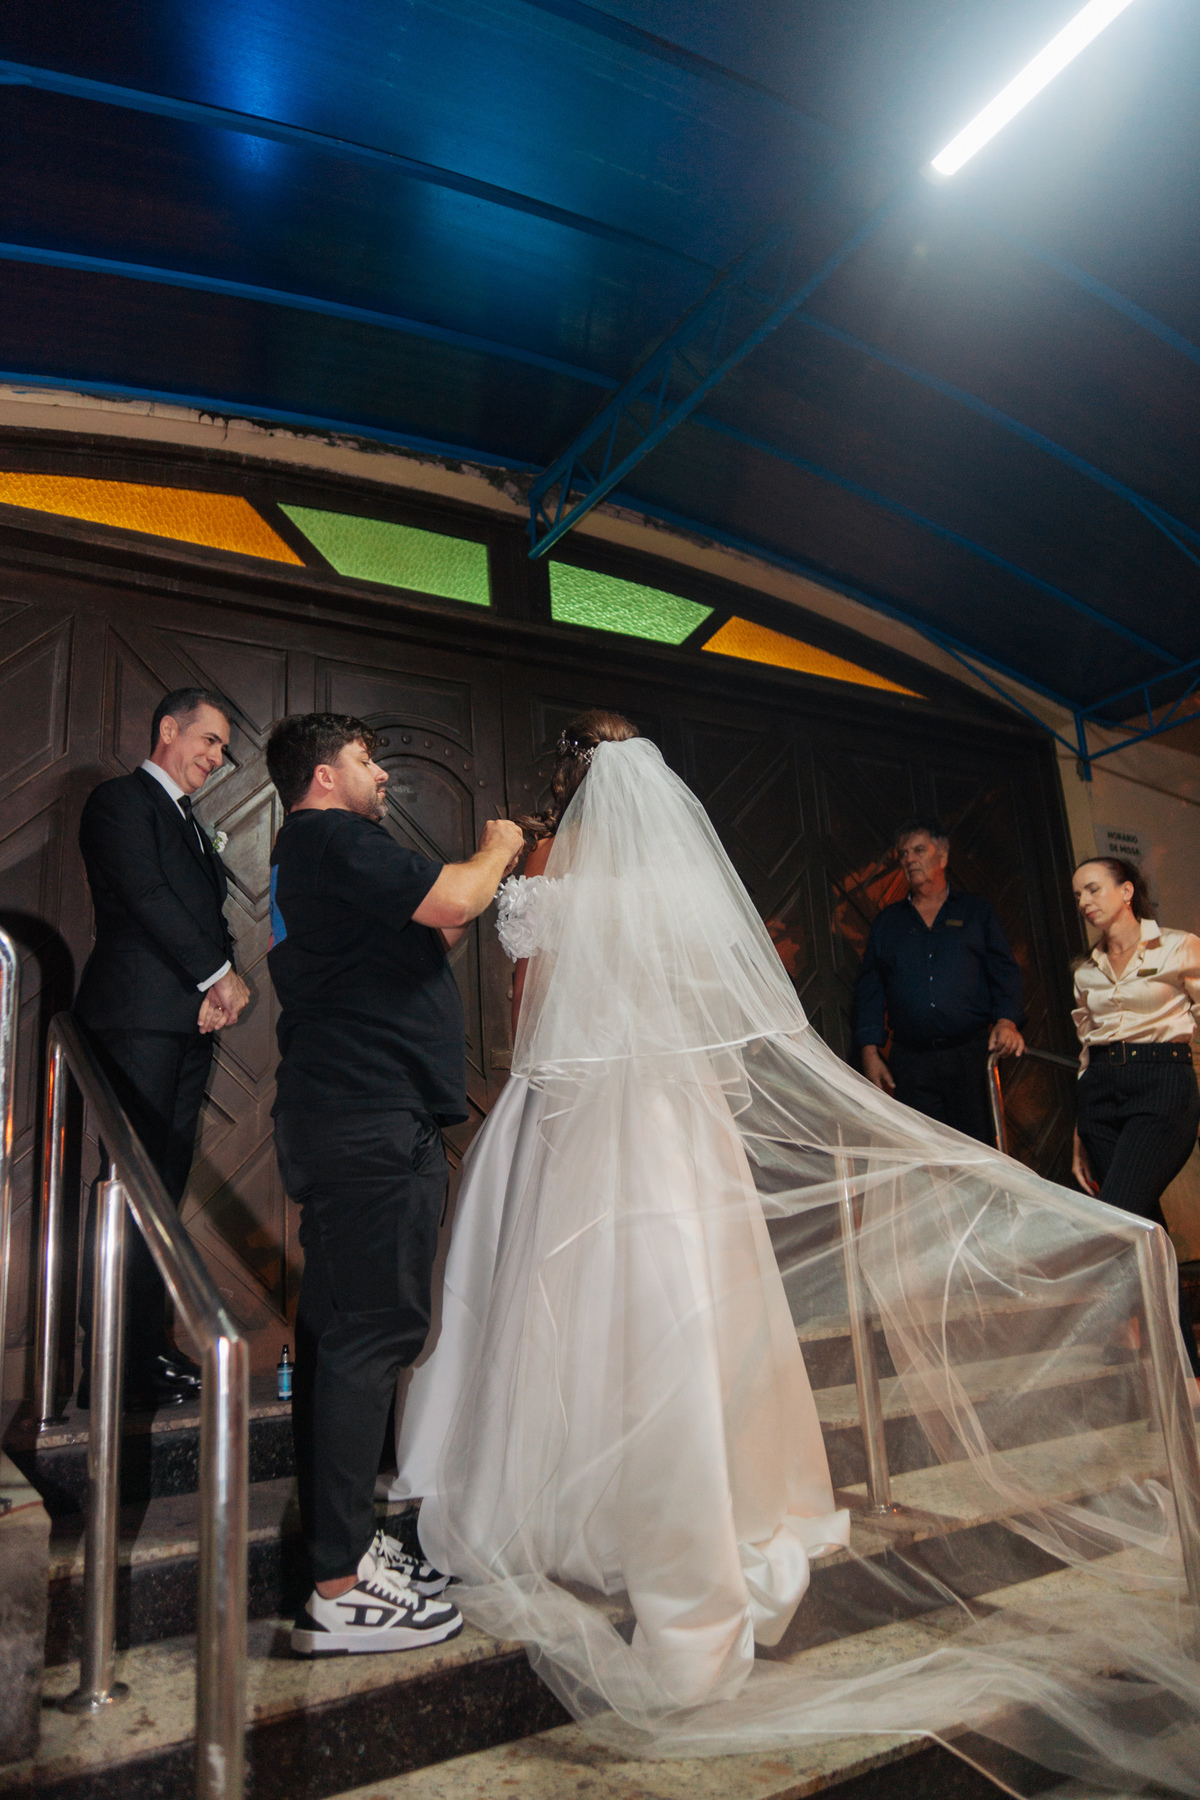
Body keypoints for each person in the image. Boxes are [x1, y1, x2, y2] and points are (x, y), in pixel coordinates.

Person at [384, 721, 1200, 1791]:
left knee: (559, 1296)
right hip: (676, 1116)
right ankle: (719, 1494)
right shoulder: (683, 882)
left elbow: (532, 1009)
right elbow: (721, 1005)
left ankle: (554, 1497)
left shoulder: (551, 872)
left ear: (568, 792)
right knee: (692, 1299)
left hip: (577, 1107)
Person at [264, 711, 524, 1657]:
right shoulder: (333, 837)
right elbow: (454, 902)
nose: (381, 777)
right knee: (376, 1335)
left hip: (348, 1116)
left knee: (344, 1340)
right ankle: (337, 1589)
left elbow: (426, 936)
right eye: (368, 761)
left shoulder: (316, 858)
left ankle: (344, 1547)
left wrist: (455, 902)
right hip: (367, 1120)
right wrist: (495, 849)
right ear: (326, 773)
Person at [75, 687, 250, 1410]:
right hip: (136, 1019)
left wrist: (214, 995)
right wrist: (218, 978)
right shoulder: (119, 803)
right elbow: (145, 897)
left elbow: (200, 915)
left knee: (163, 1190)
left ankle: (146, 1347)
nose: (216, 757)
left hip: (185, 1025)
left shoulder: (188, 820)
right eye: (208, 740)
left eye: (221, 747)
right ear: (168, 729)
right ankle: (109, 1356)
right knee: (132, 1188)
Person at [1070, 856, 1200, 1378]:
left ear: (1126, 891)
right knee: (1148, 1229)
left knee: (1118, 1218)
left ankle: (1114, 1328)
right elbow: (1085, 1049)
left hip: (1161, 1084)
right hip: (1099, 1095)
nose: (1084, 901)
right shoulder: (1084, 969)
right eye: (1077, 894)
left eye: (1094, 889)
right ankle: (1181, 1368)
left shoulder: (1179, 945)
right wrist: (1080, 1132)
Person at [854, 819, 1025, 1143]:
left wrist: (1007, 1021)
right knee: (923, 1158)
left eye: (919, 850)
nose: (909, 859)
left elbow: (1004, 970)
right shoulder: (888, 922)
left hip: (971, 1057)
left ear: (943, 856)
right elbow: (870, 989)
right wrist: (870, 1051)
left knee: (980, 1154)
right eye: (903, 853)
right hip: (911, 1061)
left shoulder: (976, 912)